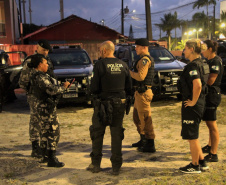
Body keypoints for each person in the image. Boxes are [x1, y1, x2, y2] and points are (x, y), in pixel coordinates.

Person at [87, 41, 132, 175]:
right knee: (117, 135)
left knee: (97, 134)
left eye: (100, 50)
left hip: (102, 104)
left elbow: (94, 87)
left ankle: (95, 165)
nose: (100, 53)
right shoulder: (123, 65)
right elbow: (129, 86)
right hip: (119, 104)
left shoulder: (100, 65)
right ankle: (116, 166)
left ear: (105, 51)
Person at [27, 54, 70, 167]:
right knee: (52, 132)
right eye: (45, 63)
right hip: (46, 108)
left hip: (42, 107)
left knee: (45, 132)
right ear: (40, 64)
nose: (47, 65)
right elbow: (51, 90)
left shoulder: (36, 76)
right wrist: (64, 87)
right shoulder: (40, 77)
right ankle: (51, 158)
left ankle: (45, 155)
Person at [19, 39, 55, 158]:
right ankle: (35, 147)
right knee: (35, 120)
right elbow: (23, 81)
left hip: (46, 96)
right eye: (44, 50)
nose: (45, 52)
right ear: (37, 47)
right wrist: (31, 92)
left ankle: (44, 147)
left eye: (47, 51)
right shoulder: (30, 61)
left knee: (46, 122)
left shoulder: (47, 61)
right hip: (35, 96)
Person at [178, 39, 209, 173]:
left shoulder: (193, 66)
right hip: (201, 102)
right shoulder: (202, 63)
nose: (183, 51)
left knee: (191, 136)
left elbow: (198, 85)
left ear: (191, 49)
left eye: (185, 48)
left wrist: (193, 102)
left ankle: (195, 165)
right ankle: (202, 162)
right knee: (193, 134)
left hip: (193, 104)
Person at [129, 38, 156, 153]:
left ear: (144, 47)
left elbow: (140, 77)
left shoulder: (145, 60)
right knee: (137, 117)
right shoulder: (142, 59)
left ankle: (150, 144)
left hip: (144, 93)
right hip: (139, 93)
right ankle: (143, 139)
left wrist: (128, 72)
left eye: (137, 47)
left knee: (145, 119)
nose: (136, 49)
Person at [201, 40, 224, 162]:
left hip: (212, 95)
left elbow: (211, 80)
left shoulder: (215, 61)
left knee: (212, 124)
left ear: (210, 49)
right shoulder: (209, 61)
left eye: (204, 48)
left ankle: (213, 154)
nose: (202, 50)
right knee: (209, 124)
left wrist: (199, 85)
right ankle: (210, 146)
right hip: (208, 95)